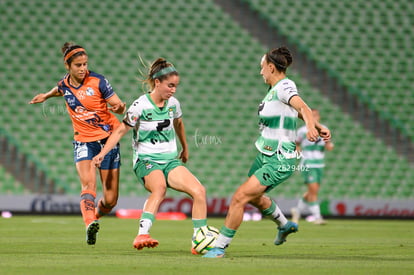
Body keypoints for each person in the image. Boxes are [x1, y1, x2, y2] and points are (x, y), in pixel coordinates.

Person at [203, 46, 331, 258]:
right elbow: (292, 112)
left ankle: (219, 247)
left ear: (271, 67)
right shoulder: (274, 92)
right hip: (265, 154)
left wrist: (311, 126)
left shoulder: (285, 86)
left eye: (262, 67)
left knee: (239, 197)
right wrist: (317, 126)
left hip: (280, 158)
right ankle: (284, 224)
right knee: (254, 197)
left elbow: (303, 107)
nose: (260, 71)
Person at [92, 58, 209, 253]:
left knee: (199, 191)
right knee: (160, 188)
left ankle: (199, 239)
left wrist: (185, 147)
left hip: (170, 161)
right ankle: (142, 234)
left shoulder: (173, 104)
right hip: (146, 161)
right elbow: (121, 130)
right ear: (157, 83)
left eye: (176, 86)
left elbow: (178, 123)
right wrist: (102, 153)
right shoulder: (140, 106)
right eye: (170, 85)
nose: (173, 90)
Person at [29, 42, 126, 245]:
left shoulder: (98, 81)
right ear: (68, 66)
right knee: (88, 184)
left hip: (107, 139)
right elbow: (60, 89)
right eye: (78, 65)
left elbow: (117, 104)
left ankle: (96, 216)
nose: (83, 69)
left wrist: (118, 107)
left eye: (85, 64)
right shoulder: (65, 84)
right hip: (83, 141)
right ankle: (89, 223)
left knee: (110, 200)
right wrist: (46, 96)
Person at [291, 109, 334, 225]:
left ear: (319, 117)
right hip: (308, 163)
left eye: (316, 115)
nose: (314, 117)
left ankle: (297, 211)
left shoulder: (323, 129)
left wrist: (329, 144)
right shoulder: (302, 131)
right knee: (313, 191)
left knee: (312, 191)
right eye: (312, 115)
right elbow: (296, 144)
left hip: (320, 163)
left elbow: (328, 144)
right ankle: (317, 217)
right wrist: (298, 152)